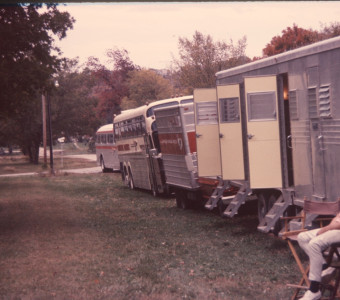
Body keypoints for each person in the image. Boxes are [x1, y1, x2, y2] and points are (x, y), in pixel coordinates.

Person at [297, 212, 340, 300]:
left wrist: (326, 229)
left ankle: (314, 290)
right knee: (302, 237)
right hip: (334, 228)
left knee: (314, 244)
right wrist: (329, 227)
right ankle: (324, 267)